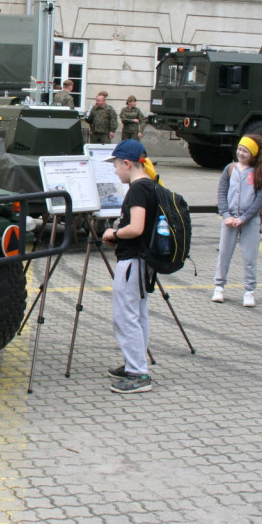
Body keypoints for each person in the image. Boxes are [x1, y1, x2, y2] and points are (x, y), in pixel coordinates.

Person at [101, 139, 156, 394]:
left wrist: (114, 233)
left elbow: (136, 228)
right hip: (142, 260)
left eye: (115, 165)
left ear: (126, 163)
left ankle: (138, 373)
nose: (114, 171)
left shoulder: (137, 189)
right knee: (138, 315)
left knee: (125, 317)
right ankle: (136, 363)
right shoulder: (150, 185)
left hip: (132, 261)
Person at [211, 135, 262, 307]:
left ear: (253, 154)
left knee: (249, 256)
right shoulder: (230, 169)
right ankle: (219, 287)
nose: (241, 153)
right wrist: (226, 214)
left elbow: (260, 199)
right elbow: (222, 192)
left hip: (249, 221)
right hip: (229, 220)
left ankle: (249, 291)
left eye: (245, 151)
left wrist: (244, 218)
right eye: (239, 149)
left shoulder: (258, 172)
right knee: (224, 254)